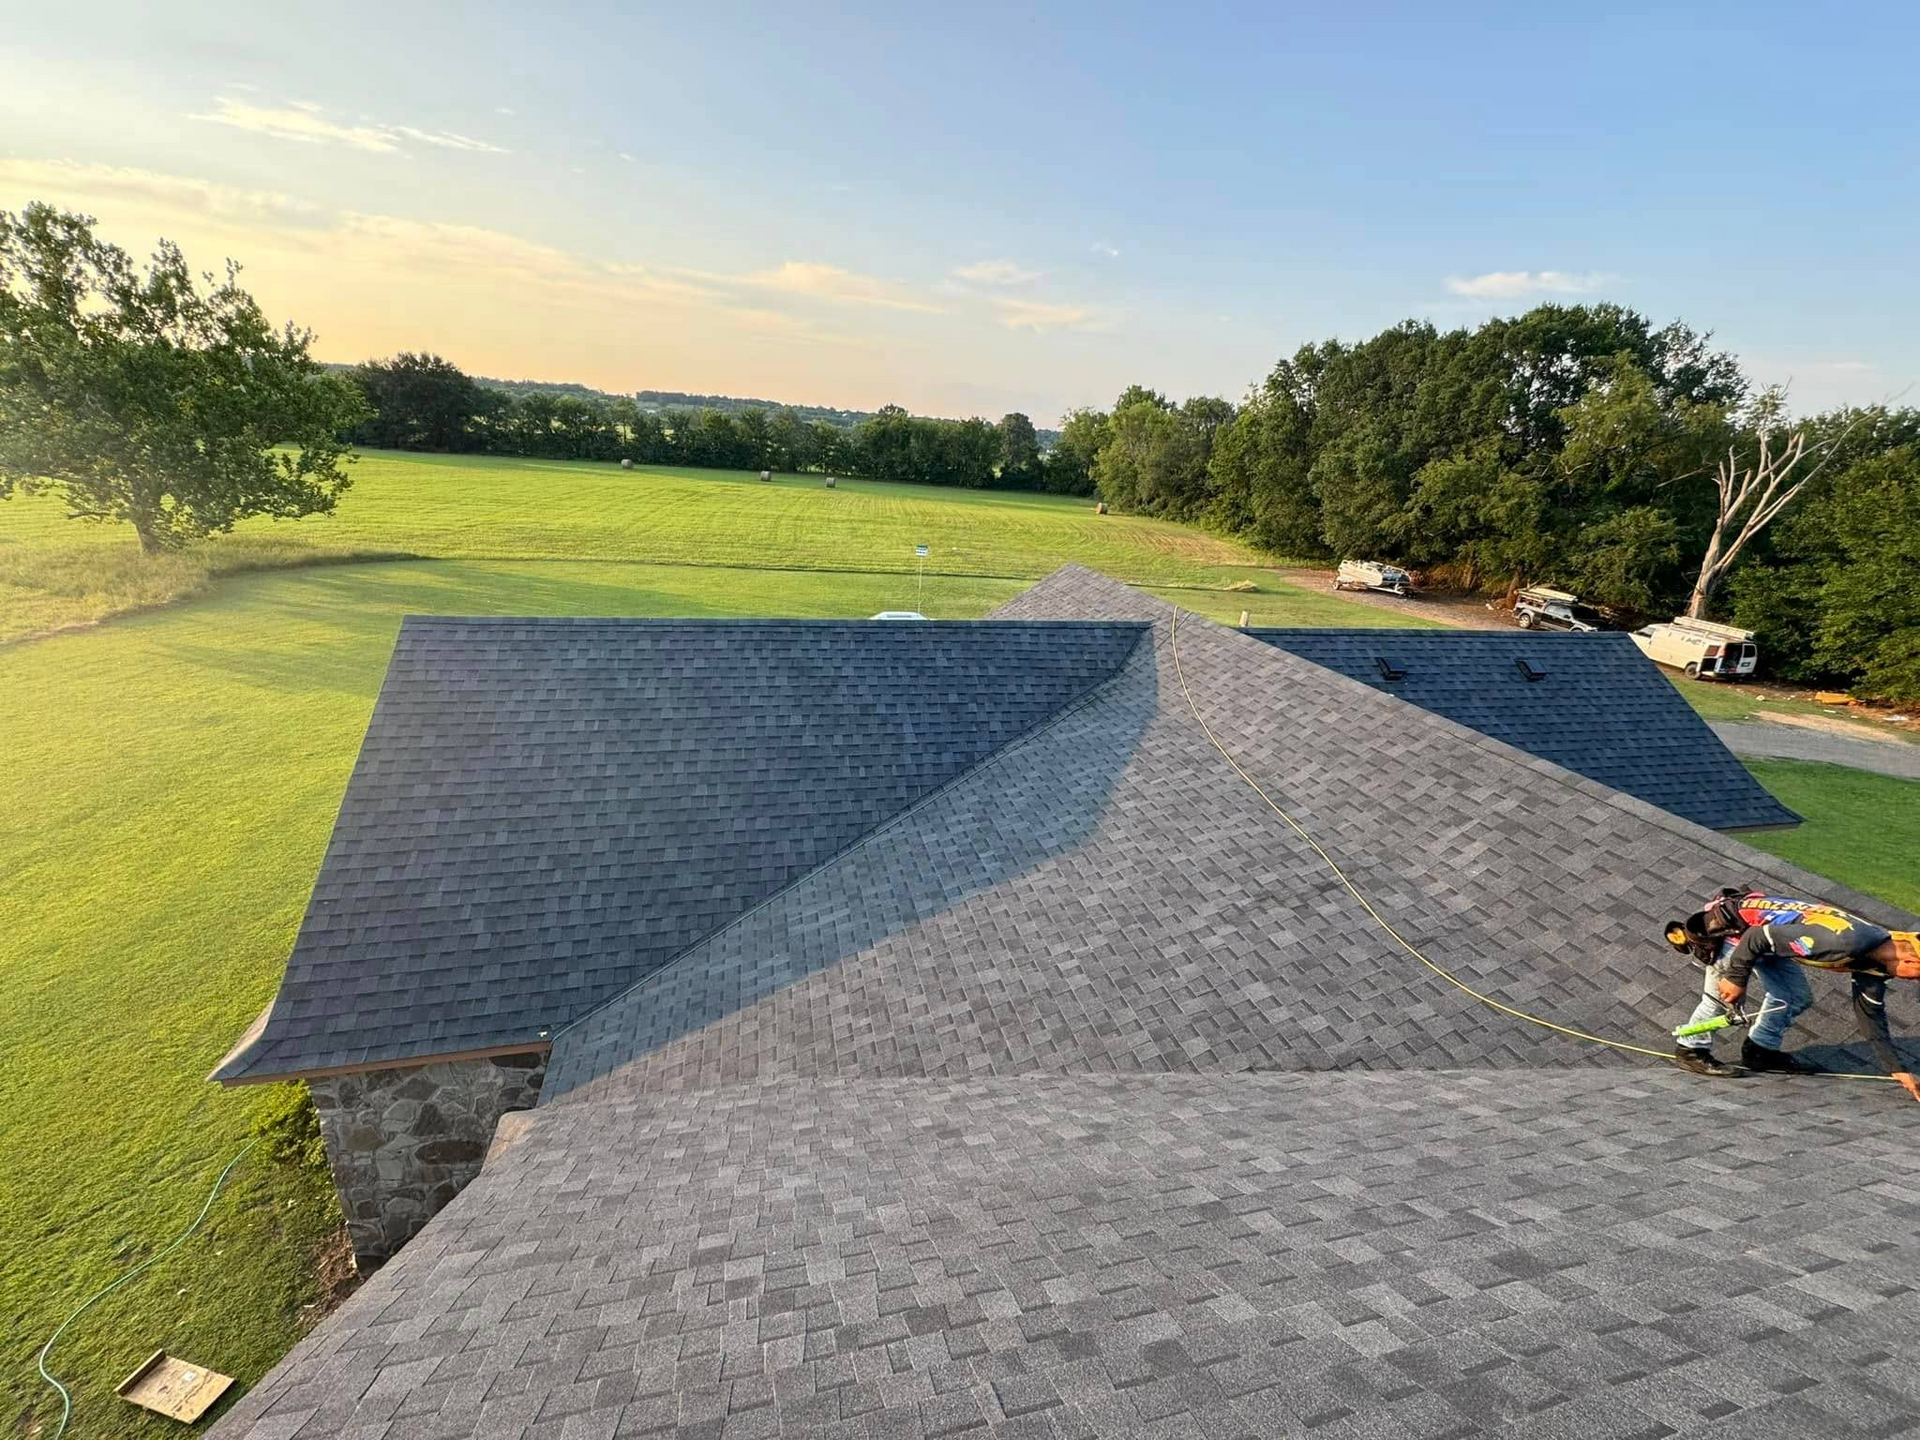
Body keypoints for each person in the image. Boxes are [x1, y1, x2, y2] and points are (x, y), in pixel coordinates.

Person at [1663, 888, 1920, 1101]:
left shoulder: (1876, 957)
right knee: (1721, 999)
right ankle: (1690, 1049)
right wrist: (1735, 978)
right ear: (1910, 959)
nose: (1913, 980)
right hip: (1735, 933)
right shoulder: (1846, 942)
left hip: (1769, 939)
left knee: (1794, 996)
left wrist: (1896, 1068)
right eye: (1918, 975)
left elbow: (1870, 1016)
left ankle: (1760, 1051)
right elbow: (1755, 937)